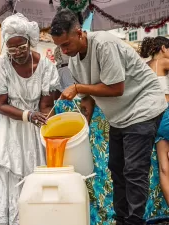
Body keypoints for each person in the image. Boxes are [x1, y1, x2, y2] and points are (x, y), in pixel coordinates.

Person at [50, 8, 167, 225]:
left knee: (134, 169)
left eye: (66, 44)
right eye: (59, 46)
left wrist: (77, 87)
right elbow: (87, 99)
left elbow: (116, 88)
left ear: (79, 32)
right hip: (120, 116)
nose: (64, 51)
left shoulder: (104, 44)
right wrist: (81, 126)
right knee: (116, 167)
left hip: (143, 105)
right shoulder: (75, 61)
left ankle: (134, 221)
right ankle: (122, 219)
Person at [0, 13, 60, 225]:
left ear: (29, 42)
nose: (17, 54)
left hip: (33, 126)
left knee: (35, 169)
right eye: (12, 49)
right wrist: (28, 115)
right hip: (8, 124)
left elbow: (45, 104)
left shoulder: (46, 66)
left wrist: (43, 116)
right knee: (13, 173)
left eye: (21, 48)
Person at [138, 36, 169, 205]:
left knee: (164, 169)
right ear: (163, 48)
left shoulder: (143, 67)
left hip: (152, 120)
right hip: (167, 115)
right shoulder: (163, 62)